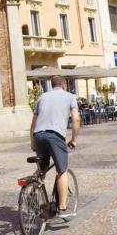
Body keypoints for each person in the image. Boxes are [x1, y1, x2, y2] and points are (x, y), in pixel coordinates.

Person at [30, 76, 81, 217]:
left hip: (38, 135)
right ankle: (62, 207)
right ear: (64, 85)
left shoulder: (42, 97)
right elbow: (76, 119)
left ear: (52, 85)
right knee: (62, 170)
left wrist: (33, 143)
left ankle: (32, 191)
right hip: (55, 135)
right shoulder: (70, 96)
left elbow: (33, 123)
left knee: (42, 169)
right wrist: (73, 139)